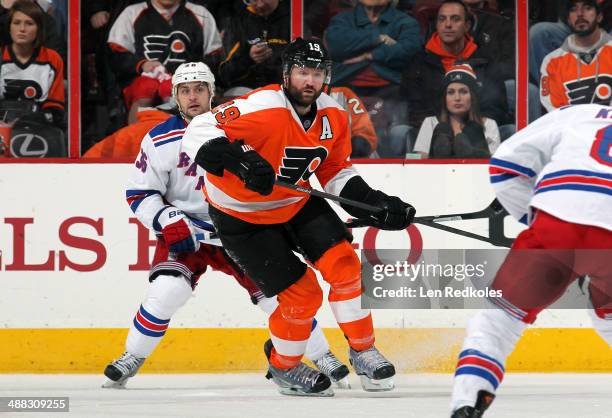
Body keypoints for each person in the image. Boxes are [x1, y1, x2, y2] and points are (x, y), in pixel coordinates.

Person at [181, 38, 415, 396]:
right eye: (303, 72)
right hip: (241, 217)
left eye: (317, 73)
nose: (310, 80)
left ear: (326, 77)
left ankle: (363, 350)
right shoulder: (261, 106)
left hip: (295, 202)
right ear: (287, 74)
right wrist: (238, 159)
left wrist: (373, 203)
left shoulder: (333, 114)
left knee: (345, 266)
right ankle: (283, 367)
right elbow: (199, 130)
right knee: (302, 296)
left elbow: (335, 169)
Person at [102, 62, 350, 389]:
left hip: (240, 229)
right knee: (168, 290)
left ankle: (321, 356)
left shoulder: (240, 126)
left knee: (281, 298)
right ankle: (132, 355)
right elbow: (140, 192)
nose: (193, 96)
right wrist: (166, 218)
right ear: (175, 96)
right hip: (188, 234)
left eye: (200, 89)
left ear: (212, 92)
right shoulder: (159, 138)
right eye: (185, 90)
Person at [449, 103, 612, 417]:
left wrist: (531, 217)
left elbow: (505, 165)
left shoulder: (577, 114)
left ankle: (467, 402)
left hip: (558, 221)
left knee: (499, 320)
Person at [107, 0, 222, 124]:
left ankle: (185, 138)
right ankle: (138, 140)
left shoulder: (200, 14)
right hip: (142, 78)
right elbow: (116, 54)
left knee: (177, 90)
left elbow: (215, 55)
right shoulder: (131, 13)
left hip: (188, 80)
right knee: (145, 88)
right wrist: (141, 65)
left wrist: (191, 73)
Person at [0, 0, 64, 128]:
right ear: (9, 27)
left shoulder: (52, 59)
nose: (22, 29)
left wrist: (30, 120)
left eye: (29, 23)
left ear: (39, 28)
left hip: (40, 129)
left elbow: (55, 109)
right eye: (16, 23)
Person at [413, 64, 500, 158]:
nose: (457, 98)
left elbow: (495, 162)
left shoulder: (489, 124)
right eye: (451, 92)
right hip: (436, 172)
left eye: (463, 92)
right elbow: (418, 160)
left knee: (474, 130)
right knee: (442, 129)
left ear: (472, 97)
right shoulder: (430, 122)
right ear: (444, 98)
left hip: (476, 172)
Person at [540, 0, 612, 112]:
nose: (580, 14)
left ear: (599, 17)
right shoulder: (552, 61)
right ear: (568, 20)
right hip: (571, 128)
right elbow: (557, 113)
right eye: (573, 9)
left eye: (587, 8)